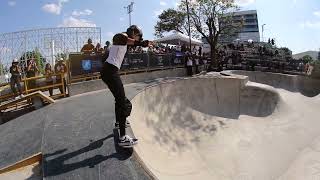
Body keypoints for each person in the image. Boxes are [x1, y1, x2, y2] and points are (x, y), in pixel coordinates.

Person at [100, 25, 152, 147]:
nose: (139, 38)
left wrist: (140, 43)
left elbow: (106, 56)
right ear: (133, 33)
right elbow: (119, 37)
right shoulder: (122, 37)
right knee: (123, 102)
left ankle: (119, 122)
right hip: (110, 72)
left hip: (109, 71)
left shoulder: (124, 43)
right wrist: (141, 43)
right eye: (138, 35)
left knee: (119, 100)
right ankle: (123, 138)